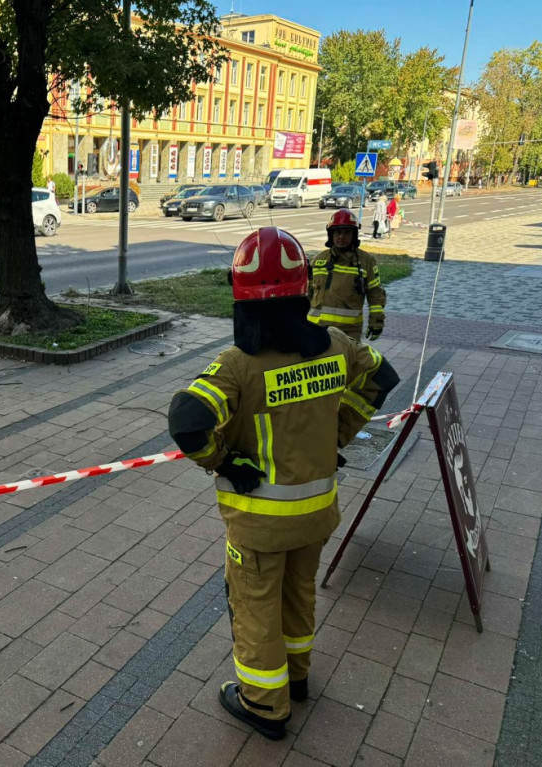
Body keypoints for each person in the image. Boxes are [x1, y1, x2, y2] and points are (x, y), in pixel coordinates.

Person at [168, 226, 399, 741]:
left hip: (258, 527)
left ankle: (263, 704)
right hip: (317, 514)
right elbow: (382, 379)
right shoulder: (336, 346)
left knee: (254, 610)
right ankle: (296, 680)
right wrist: (339, 432)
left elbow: (187, 420)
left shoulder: (237, 367)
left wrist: (224, 462)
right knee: (298, 598)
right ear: (303, 291)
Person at [308, 209, 387, 342]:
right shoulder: (318, 259)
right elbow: (307, 292)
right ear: (331, 234)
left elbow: (375, 294)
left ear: (354, 235)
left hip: (348, 332)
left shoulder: (366, 261)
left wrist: (376, 322)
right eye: (338, 232)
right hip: (316, 329)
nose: (341, 237)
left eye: (346, 233)